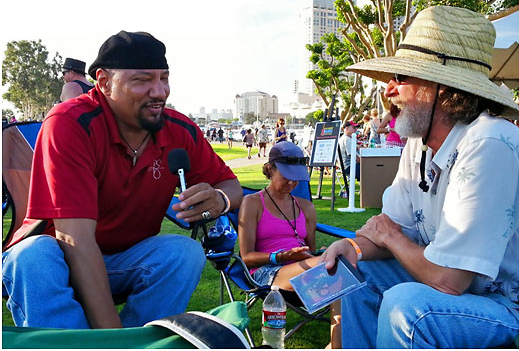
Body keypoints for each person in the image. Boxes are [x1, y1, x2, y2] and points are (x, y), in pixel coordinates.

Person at [320, 6, 519, 348]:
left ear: (443, 88)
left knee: (406, 307)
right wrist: (353, 247)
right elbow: (390, 225)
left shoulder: (490, 143)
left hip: (510, 309)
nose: (388, 90)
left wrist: (390, 238)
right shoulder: (419, 144)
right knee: (355, 273)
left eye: (402, 78)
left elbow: (449, 280)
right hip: (457, 293)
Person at [2, 31, 243, 329]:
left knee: (184, 253)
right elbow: (73, 239)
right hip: (57, 260)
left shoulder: (180, 129)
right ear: (103, 82)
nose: (159, 91)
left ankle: (139, 343)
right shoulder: (70, 123)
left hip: (123, 261)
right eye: (142, 80)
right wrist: (111, 338)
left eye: (163, 78)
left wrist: (220, 200)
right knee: (33, 256)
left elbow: (230, 185)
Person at [238, 141, 341, 348]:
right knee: (333, 269)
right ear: (270, 170)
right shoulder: (252, 203)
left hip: (303, 265)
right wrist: (281, 256)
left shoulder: (306, 207)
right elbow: (247, 257)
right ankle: (338, 344)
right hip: (267, 270)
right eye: (286, 177)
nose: (292, 183)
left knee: (341, 266)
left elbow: (310, 251)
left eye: (296, 178)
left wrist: (315, 253)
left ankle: (337, 343)